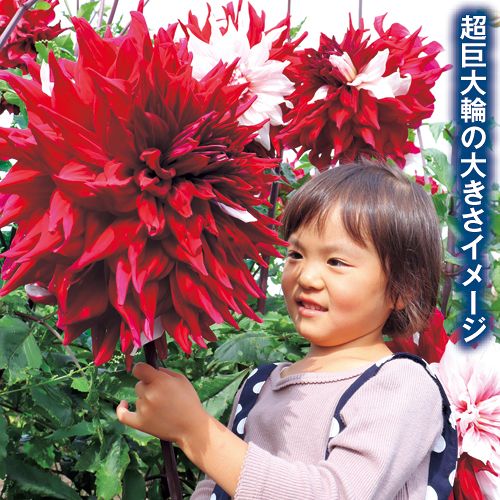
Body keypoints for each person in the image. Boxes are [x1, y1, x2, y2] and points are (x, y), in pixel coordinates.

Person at [116, 161, 458, 499]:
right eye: (296, 254)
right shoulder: (259, 385)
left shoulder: (402, 384)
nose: (306, 277)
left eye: (336, 262)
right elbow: (215, 489)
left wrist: (195, 430)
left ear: (402, 288)